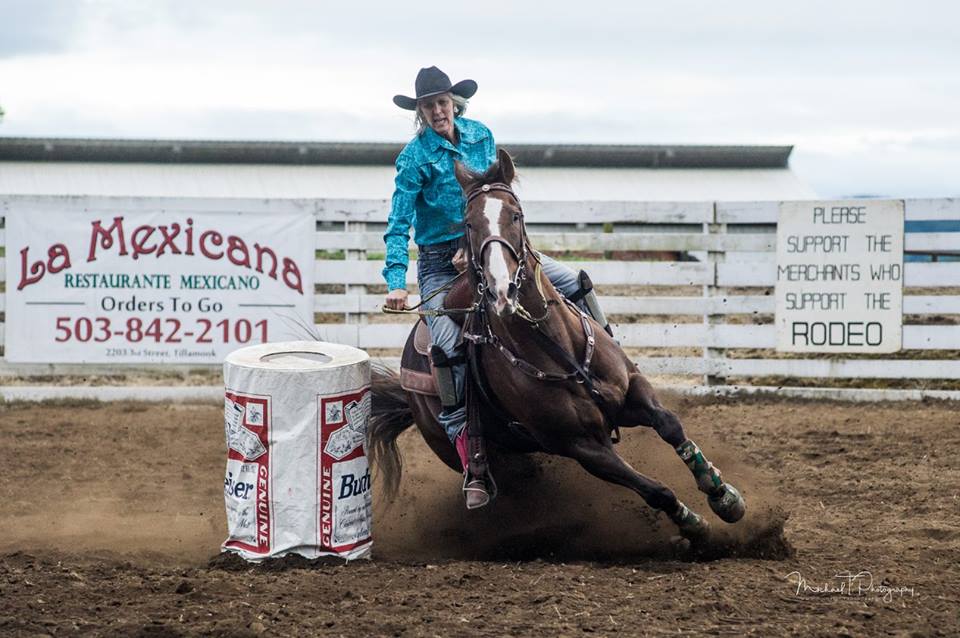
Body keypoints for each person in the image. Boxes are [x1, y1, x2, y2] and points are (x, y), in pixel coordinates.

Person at [383, 66, 611, 509]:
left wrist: (484, 245)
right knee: (446, 345)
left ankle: (607, 369)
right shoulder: (412, 159)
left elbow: (497, 192)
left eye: (442, 103)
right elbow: (398, 225)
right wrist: (396, 282)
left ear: (455, 104)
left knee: (576, 284)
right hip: (440, 267)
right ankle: (470, 451)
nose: (437, 111)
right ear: (420, 113)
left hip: (495, 247)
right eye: (428, 106)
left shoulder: (480, 135)